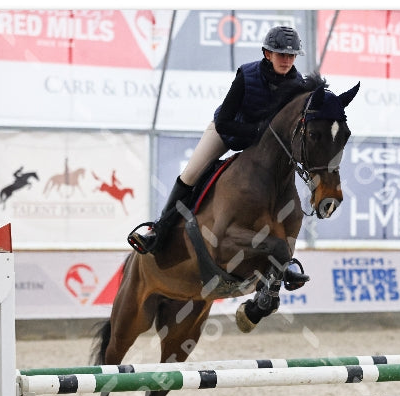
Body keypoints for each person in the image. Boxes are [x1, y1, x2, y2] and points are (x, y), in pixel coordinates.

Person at [128, 26, 305, 255]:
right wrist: (258, 131)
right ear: (267, 54)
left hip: (261, 146)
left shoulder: (298, 84)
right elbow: (224, 122)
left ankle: (285, 259)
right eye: (282, 54)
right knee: (190, 174)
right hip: (226, 132)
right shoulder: (247, 75)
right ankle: (159, 232)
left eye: (291, 55)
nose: (287, 60)